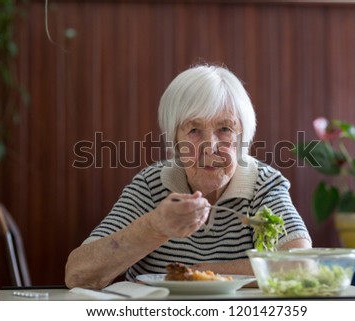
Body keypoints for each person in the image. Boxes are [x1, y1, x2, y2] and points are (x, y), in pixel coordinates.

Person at [65, 64, 312, 289]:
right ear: (174, 142)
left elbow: (301, 266)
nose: (210, 146)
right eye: (194, 130)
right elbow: (78, 275)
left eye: (225, 129)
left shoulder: (263, 185)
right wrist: (154, 228)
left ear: (242, 136)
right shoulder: (152, 186)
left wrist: (193, 275)